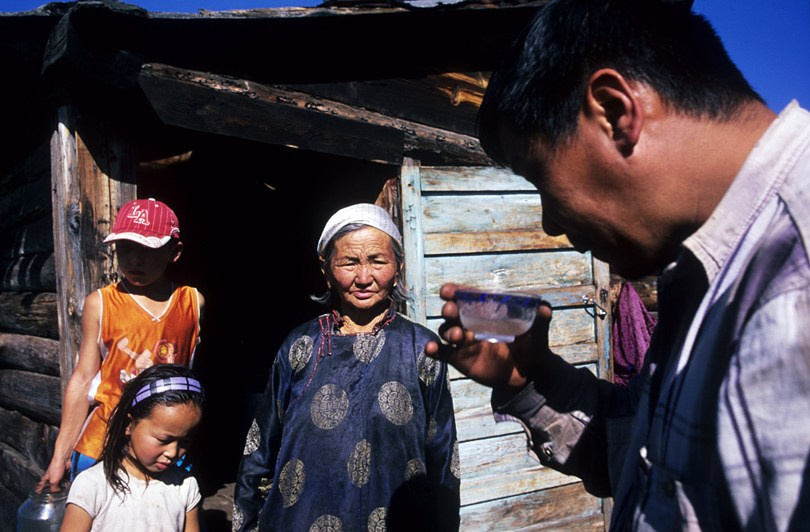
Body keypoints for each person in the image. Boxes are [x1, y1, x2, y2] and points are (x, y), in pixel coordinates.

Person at [425, 0, 810, 529]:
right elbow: (655, 462)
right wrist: (531, 378)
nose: (551, 222)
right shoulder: (714, 270)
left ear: (613, 111)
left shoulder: (794, 281)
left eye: (542, 181)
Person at [233, 203, 460, 531]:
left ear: (397, 265)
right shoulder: (300, 346)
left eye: (378, 261)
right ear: (325, 269)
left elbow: (443, 459)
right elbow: (259, 448)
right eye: (349, 262)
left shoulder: (422, 349)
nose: (364, 278)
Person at [40, 198, 205, 492]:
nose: (134, 259)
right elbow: (82, 380)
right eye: (125, 247)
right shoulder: (101, 304)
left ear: (174, 252)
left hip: (163, 447)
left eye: (147, 248)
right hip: (103, 444)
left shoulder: (192, 303)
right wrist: (60, 455)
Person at [60, 364, 205, 531]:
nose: (173, 452)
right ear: (129, 425)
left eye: (184, 442)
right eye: (163, 439)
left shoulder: (185, 486)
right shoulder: (93, 486)